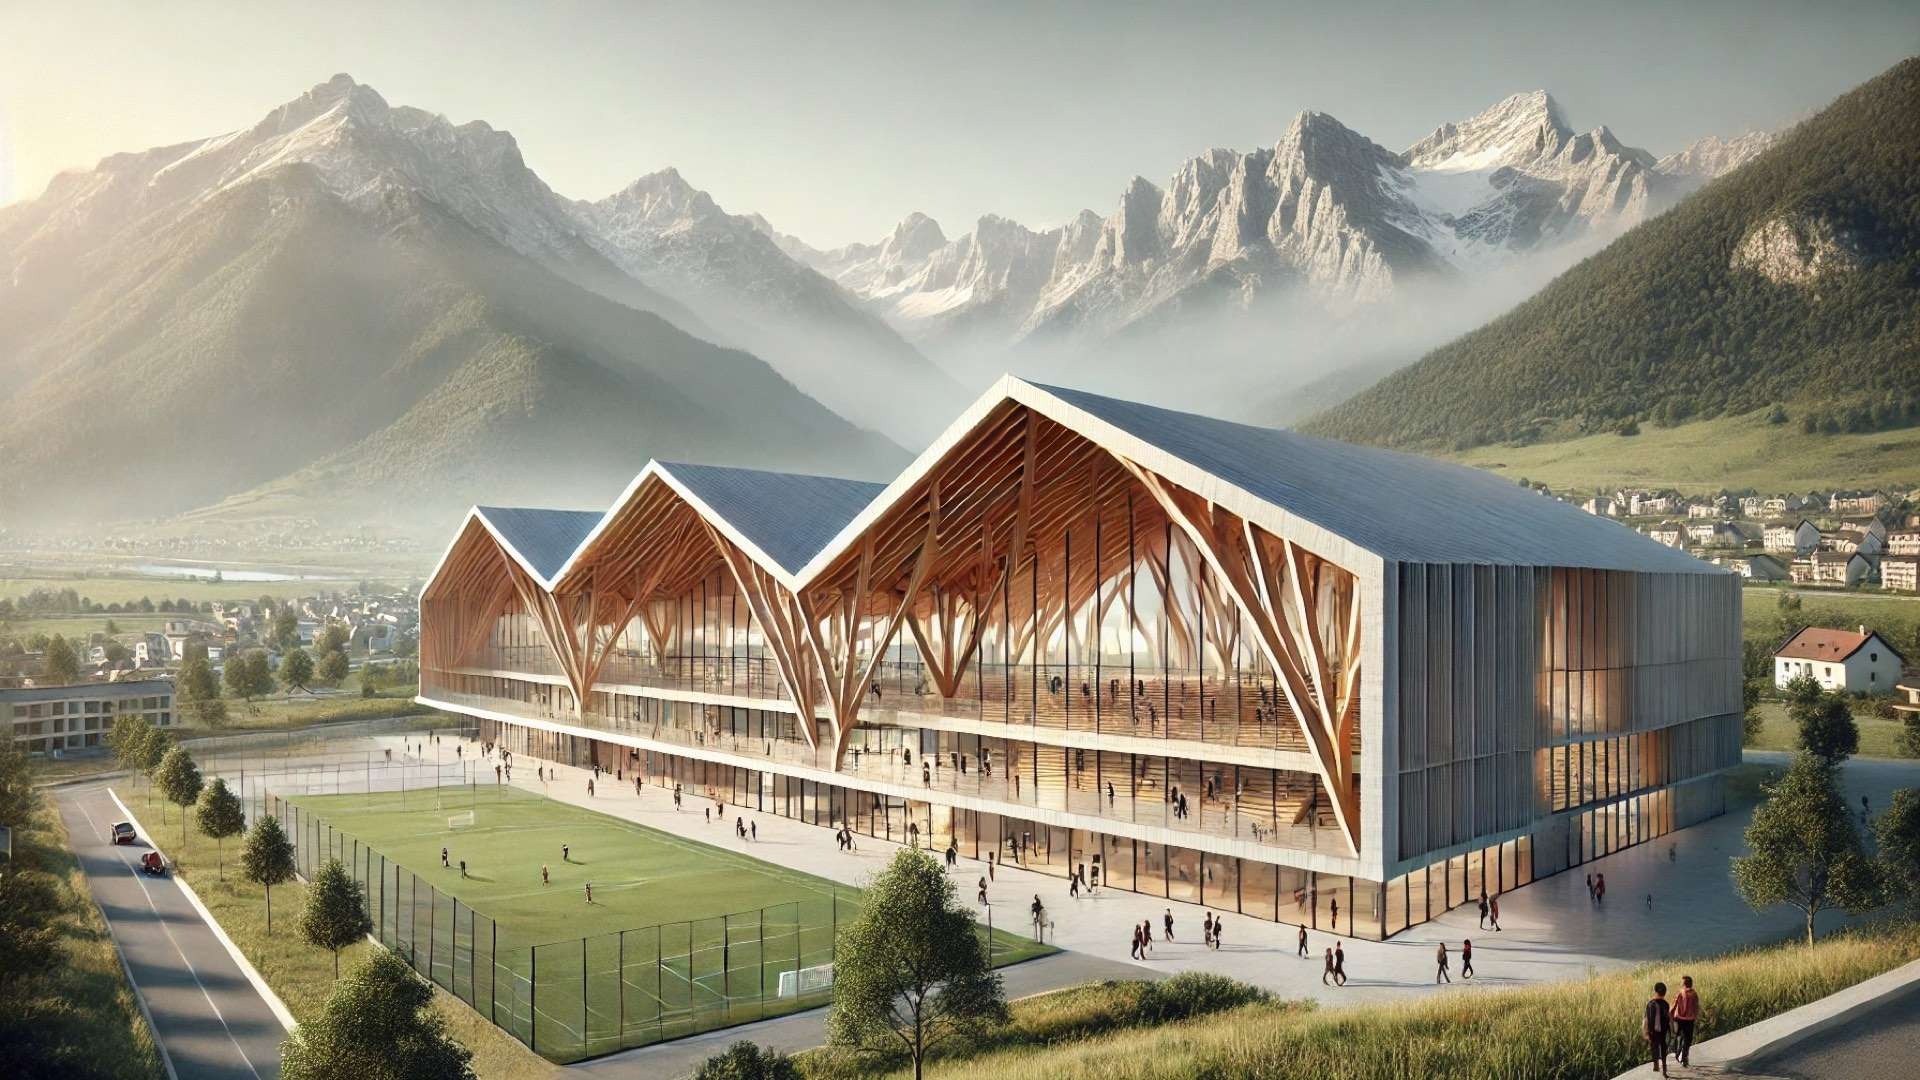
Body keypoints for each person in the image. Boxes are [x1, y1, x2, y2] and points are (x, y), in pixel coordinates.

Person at [1643, 981, 1672, 1076]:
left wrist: (1645, 1032)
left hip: (1653, 1031)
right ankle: (1664, 1068)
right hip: (1663, 1031)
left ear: (1655, 991)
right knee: (1663, 1049)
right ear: (1665, 993)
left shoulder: (1650, 1004)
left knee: (1654, 1047)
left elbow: (1646, 1020)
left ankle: (1656, 1063)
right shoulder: (1666, 1004)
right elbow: (1669, 1018)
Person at [1672, 975, 1700, 1067]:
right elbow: (1696, 1007)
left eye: (1682, 982)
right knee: (1688, 1039)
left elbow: (1674, 1005)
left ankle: (1677, 1053)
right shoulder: (1694, 994)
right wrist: (1696, 1017)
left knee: (1679, 1036)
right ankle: (1684, 1057)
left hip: (1679, 1019)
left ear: (1684, 984)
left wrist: (1668, 1015)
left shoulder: (1680, 993)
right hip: (1689, 1020)